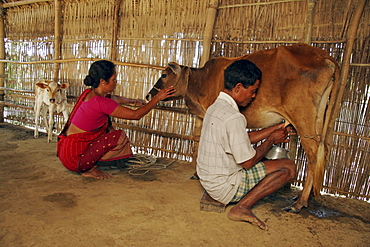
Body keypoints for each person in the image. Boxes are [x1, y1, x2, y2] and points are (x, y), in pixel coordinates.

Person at [196, 59, 296, 230]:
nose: (253, 96)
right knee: (288, 167)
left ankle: (241, 203)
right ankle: (242, 207)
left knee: (265, 159)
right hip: (224, 187)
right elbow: (248, 162)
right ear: (238, 87)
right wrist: (271, 140)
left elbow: (244, 137)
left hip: (208, 179)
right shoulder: (234, 117)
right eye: (253, 91)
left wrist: (277, 127)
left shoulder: (215, 107)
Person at [57, 60, 175, 180]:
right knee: (118, 137)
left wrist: (133, 101)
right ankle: (88, 168)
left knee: (108, 128)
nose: (116, 82)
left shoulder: (90, 93)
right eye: (114, 79)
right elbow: (136, 115)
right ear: (103, 81)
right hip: (75, 160)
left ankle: (87, 164)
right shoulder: (101, 102)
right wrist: (157, 98)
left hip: (66, 153)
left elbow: (114, 98)